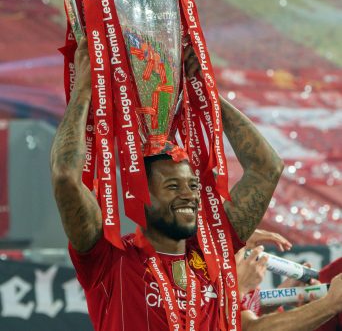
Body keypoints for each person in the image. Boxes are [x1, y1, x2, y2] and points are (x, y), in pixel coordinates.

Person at [50, 39, 284, 330]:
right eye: (173, 186)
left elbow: (267, 167)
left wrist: (205, 92)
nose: (188, 195)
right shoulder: (109, 261)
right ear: (140, 196)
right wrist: (84, 87)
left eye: (193, 186)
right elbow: (65, 177)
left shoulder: (213, 249)